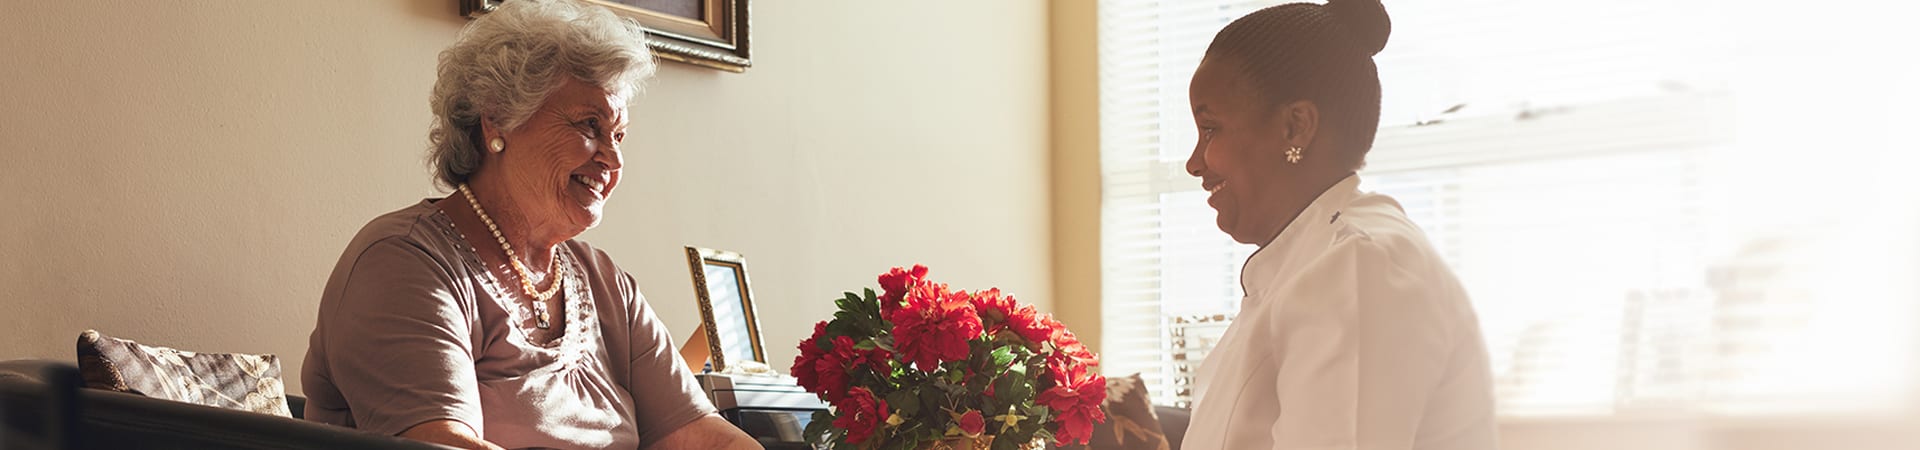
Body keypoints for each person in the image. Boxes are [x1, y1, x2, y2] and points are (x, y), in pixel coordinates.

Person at [300, 1, 759, 449]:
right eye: (589, 125)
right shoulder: (403, 263)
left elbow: (702, 435)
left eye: (619, 135)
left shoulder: (605, 284)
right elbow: (445, 444)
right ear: (498, 120)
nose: (613, 159)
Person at [1179, 1, 1498, 449]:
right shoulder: (1311, 263)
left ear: (1296, 127)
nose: (1195, 163)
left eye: (1210, 128)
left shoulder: (1359, 265)